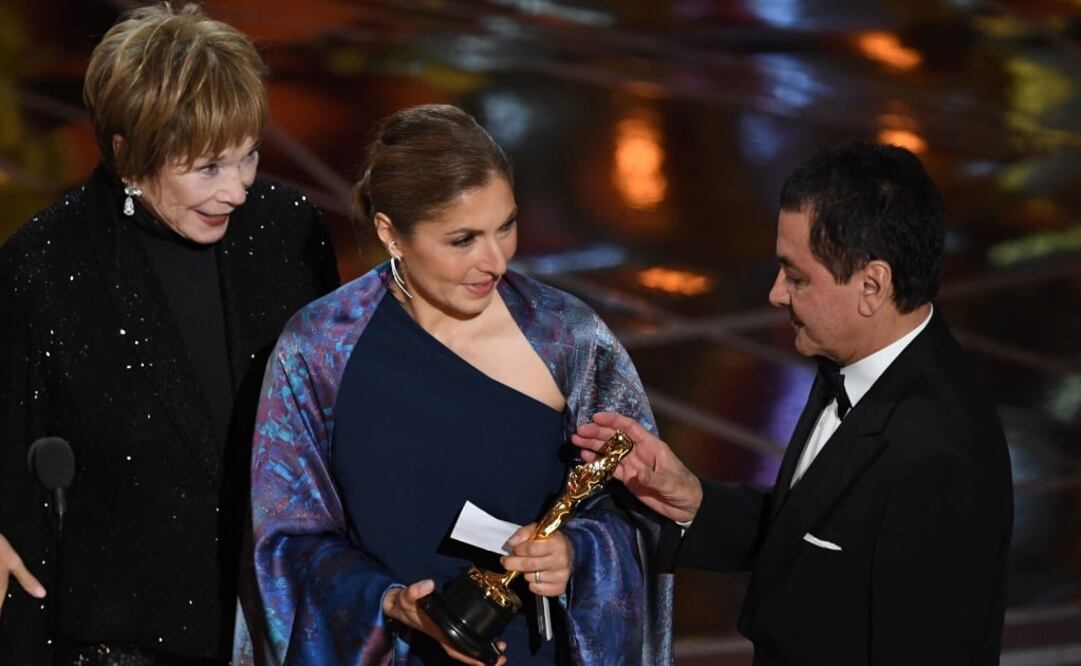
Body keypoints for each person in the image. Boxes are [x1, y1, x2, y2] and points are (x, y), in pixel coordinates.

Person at [240, 104, 672, 665]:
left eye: (506, 226)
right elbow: (286, 545)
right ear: (391, 233)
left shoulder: (569, 338)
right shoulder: (319, 349)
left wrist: (576, 553)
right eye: (463, 240)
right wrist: (389, 603)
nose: (495, 261)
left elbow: (641, 508)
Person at [574, 141, 1014, 665]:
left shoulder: (939, 456)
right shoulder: (855, 365)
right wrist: (692, 500)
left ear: (872, 285)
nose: (776, 294)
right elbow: (813, 534)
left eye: (797, 277)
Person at [0, 4, 339, 664]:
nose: (237, 190)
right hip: (122, 641)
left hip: (283, 625)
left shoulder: (288, 229)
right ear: (127, 153)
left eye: (248, 155)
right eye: (208, 168)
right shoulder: (41, 266)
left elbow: (331, 420)